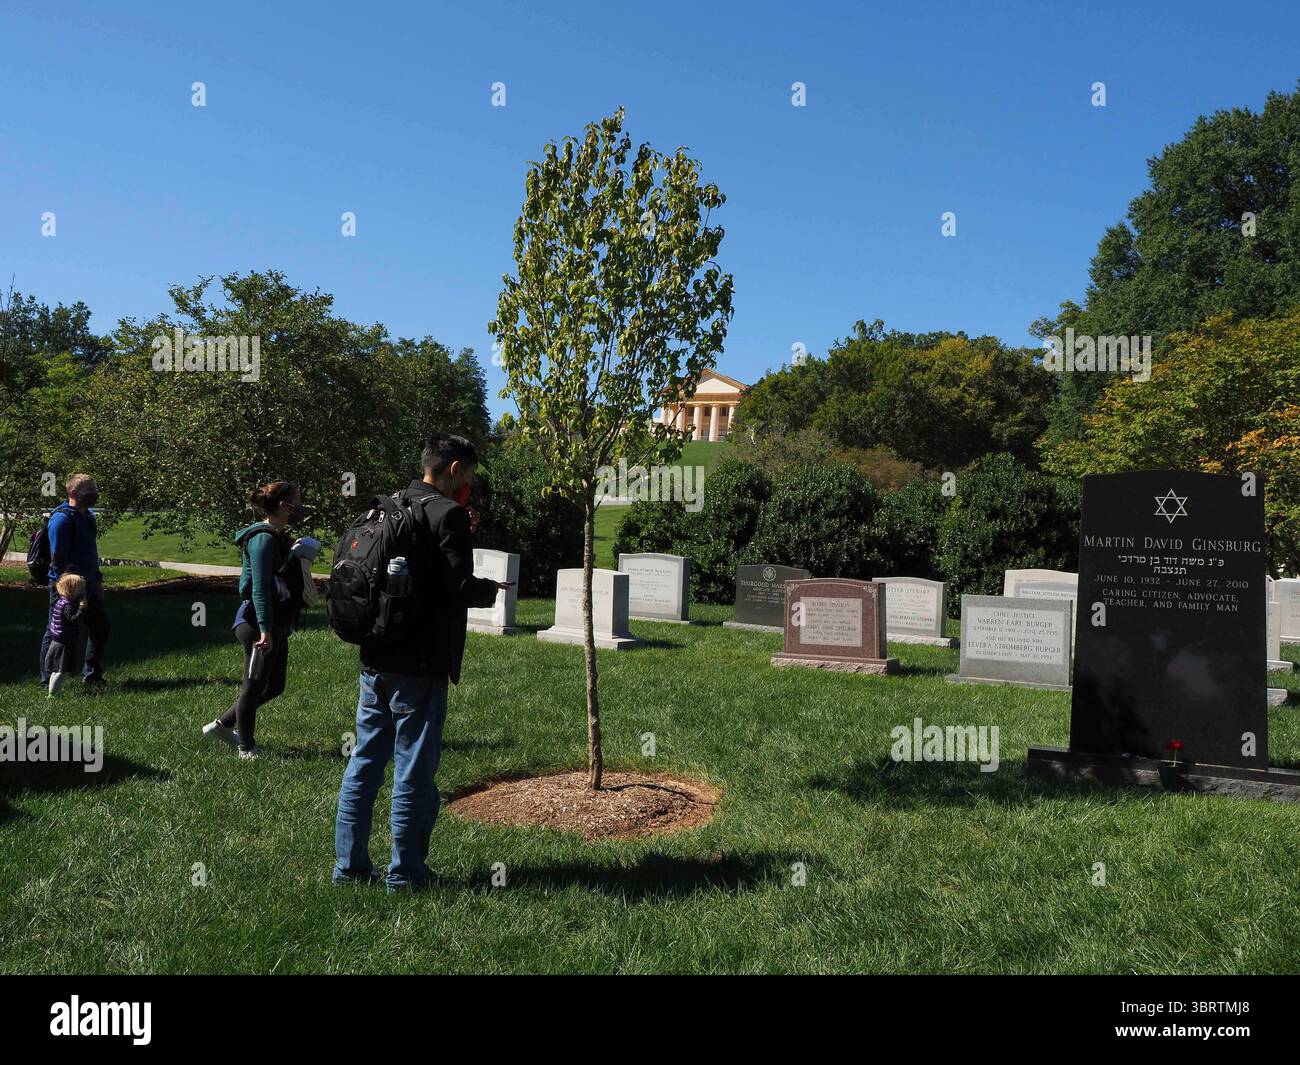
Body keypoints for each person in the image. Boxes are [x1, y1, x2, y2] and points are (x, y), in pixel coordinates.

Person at [333, 433, 509, 891]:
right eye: (469, 474)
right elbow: (455, 587)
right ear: (454, 470)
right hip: (420, 663)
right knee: (413, 770)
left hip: (375, 655)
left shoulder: (387, 506)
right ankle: (406, 874)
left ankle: (349, 869)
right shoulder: (446, 514)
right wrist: (490, 588)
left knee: (366, 761)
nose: (470, 482)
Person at [201, 481, 308, 760]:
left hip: (275, 622)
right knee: (254, 684)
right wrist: (264, 630)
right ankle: (246, 747)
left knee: (275, 686)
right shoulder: (263, 538)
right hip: (257, 624)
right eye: (297, 502)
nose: (300, 508)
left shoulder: (277, 535)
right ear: (284, 505)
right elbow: (259, 587)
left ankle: (223, 725)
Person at [39, 474, 111, 688]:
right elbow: (57, 559)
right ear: (73, 493)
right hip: (67, 587)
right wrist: (67, 590)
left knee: (101, 626)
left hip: (88, 583)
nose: (94, 493)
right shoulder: (61, 520)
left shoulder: (88, 516)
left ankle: (93, 677)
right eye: (89, 490)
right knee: (56, 633)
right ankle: (47, 681)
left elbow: (90, 552)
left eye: (94, 488)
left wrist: (96, 580)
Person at [45, 573, 88, 695]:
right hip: (65, 641)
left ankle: (51, 692)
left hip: (57, 639)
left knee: (56, 669)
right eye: (80, 588)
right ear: (72, 590)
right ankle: (52, 694)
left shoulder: (61, 601)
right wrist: (81, 608)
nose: (83, 591)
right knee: (61, 670)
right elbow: (73, 619)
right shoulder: (67, 605)